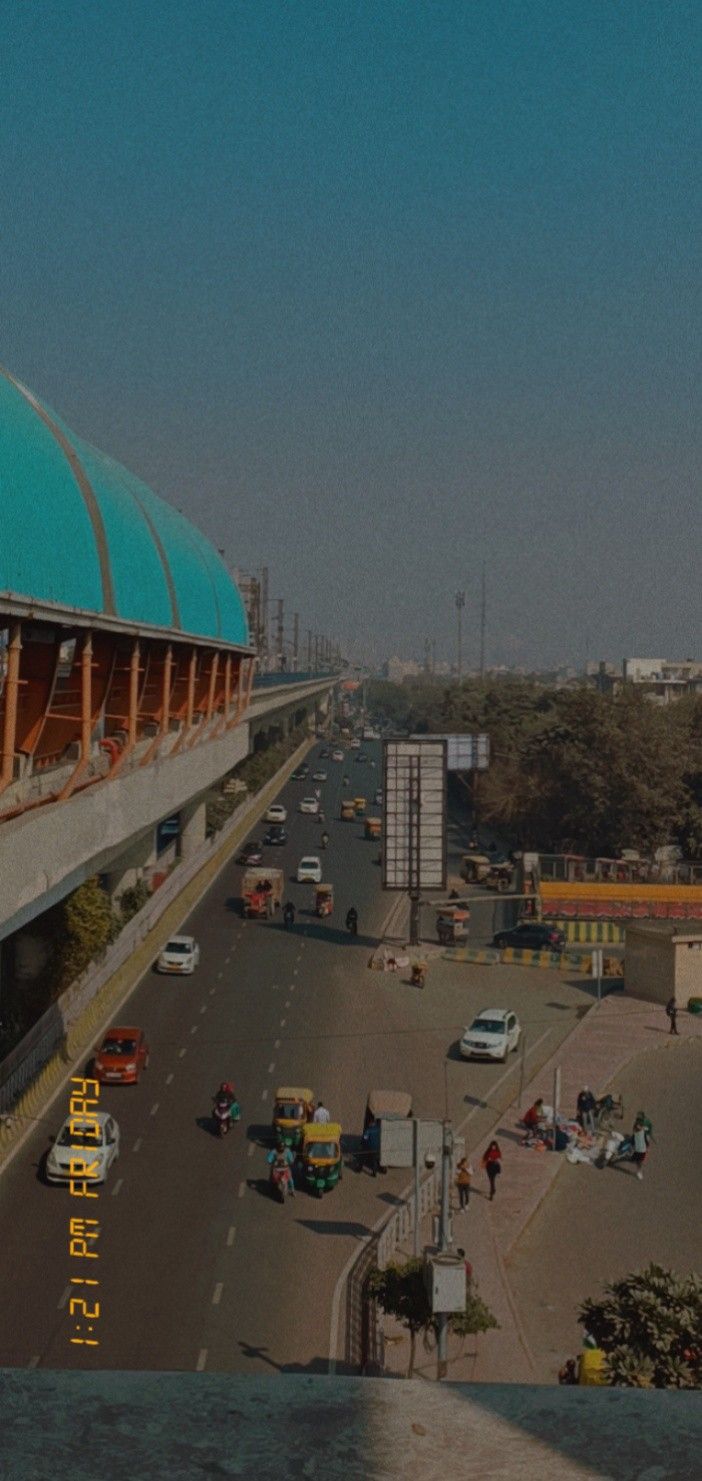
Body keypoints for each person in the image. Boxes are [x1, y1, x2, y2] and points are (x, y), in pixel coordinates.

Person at [631, 1115, 650, 1181]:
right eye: (637, 1124)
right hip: (637, 1148)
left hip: (642, 1150)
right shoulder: (636, 1130)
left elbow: (646, 1140)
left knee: (640, 1162)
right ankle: (637, 1168)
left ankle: (639, 1171)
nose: (638, 1126)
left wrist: (647, 1147)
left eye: (640, 1125)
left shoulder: (643, 1131)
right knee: (636, 1160)